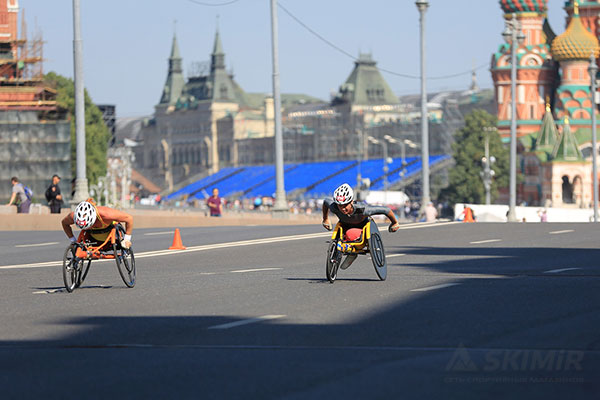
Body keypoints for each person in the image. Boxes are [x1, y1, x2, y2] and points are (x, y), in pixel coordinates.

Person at [322, 183, 400, 270]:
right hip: (345, 226)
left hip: (362, 228)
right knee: (345, 234)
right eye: (340, 206)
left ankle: (352, 252)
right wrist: (325, 219)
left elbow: (386, 210)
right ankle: (350, 252)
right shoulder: (334, 207)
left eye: (345, 205)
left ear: (351, 201)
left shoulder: (363, 209)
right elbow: (325, 201)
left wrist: (394, 222)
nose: (343, 209)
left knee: (351, 234)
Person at [61, 199, 133, 249]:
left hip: (110, 235)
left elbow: (129, 218)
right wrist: (73, 240)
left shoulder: (106, 214)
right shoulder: (73, 216)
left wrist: (127, 239)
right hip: (91, 237)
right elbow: (64, 223)